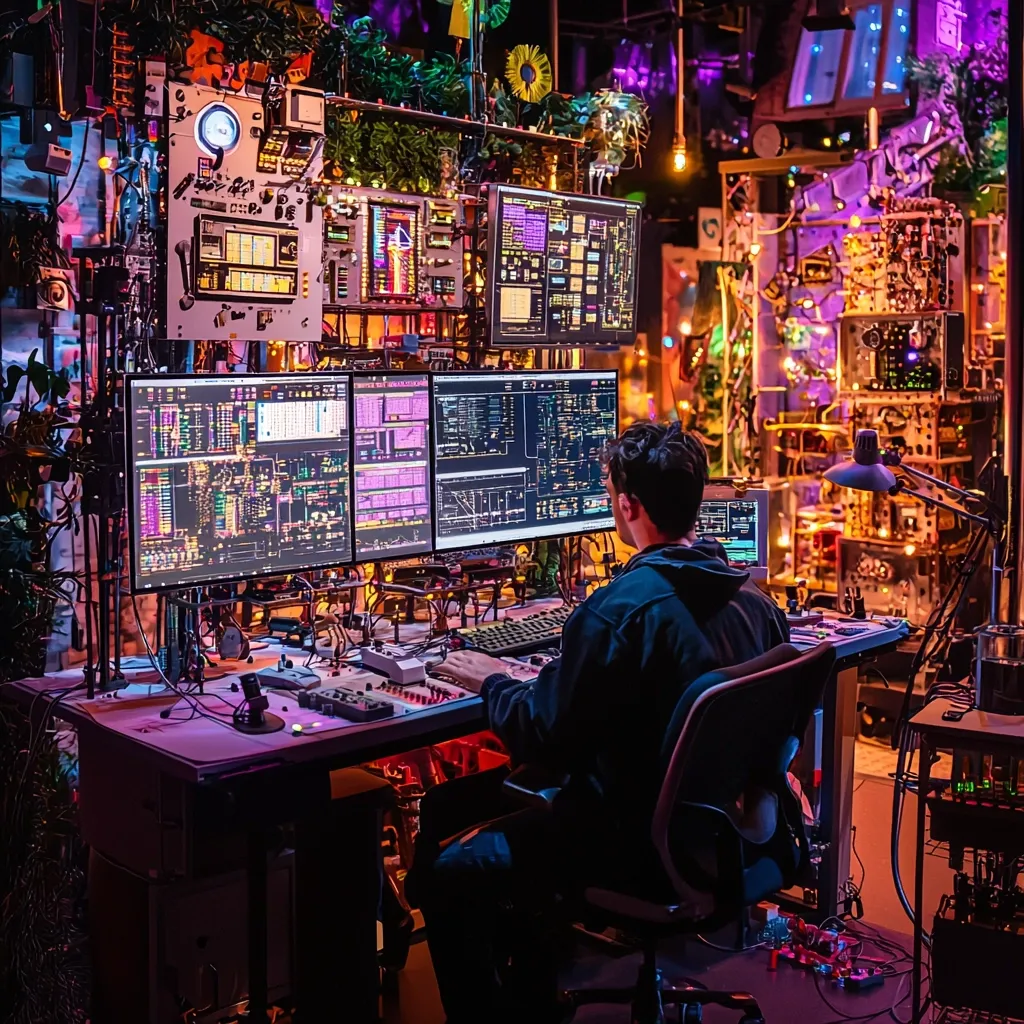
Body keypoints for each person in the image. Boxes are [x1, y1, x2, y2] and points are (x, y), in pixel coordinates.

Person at [409, 422, 789, 1024]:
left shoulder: (618, 612)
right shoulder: (755, 601)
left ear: (626, 505)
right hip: (718, 834)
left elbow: (545, 735)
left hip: (630, 844)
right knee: (446, 810)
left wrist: (491, 680)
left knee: (450, 871)